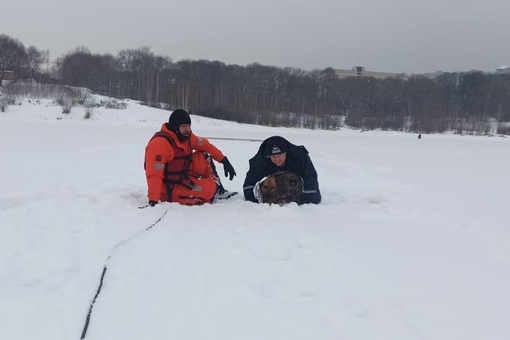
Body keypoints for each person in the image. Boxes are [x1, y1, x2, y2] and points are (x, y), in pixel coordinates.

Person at [144, 109, 236, 206]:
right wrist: (153, 200)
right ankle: (213, 190)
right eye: (184, 126)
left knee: (203, 156)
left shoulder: (186, 138)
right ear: (175, 127)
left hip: (182, 176)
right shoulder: (160, 144)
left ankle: (219, 190)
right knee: (210, 188)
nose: (187, 129)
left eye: (188, 125)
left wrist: (224, 160)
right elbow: (154, 174)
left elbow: (206, 145)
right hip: (169, 189)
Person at [243, 136, 321, 204]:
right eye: (273, 156)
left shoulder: (299, 156)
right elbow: (249, 182)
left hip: (294, 182)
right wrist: (251, 200)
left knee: (315, 199)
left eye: (280, 155)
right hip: (275, 185)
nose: (277, 159)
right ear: (268, 156)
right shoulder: (261, 161)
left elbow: (310, 176)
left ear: (286, 153)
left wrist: (307, 200)